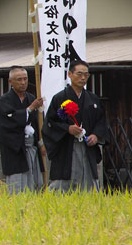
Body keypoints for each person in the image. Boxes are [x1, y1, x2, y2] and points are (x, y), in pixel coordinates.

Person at [42, 60, 109, 191]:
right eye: (79, 74)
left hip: (87, 147)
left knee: (88, 184)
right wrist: (67, 128)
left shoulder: (93, 99)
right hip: (66, 148)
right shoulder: (60, 98)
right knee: (63, 186)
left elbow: (101, 121)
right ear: (70, 74)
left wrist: (96, 135)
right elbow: (50, 123)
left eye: (86, 75)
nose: (83, 78)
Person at [0, 67, 45, 192]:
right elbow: (10, 121)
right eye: (19, 79)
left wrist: (41, 143)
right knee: (18, 185)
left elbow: (38, 123)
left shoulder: (31, 98)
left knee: (35, 182)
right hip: (16, 148)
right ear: (10, 82)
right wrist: (29, 109)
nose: (23, 82)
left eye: (25, 79)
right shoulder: (5, 100)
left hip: (32, 148)